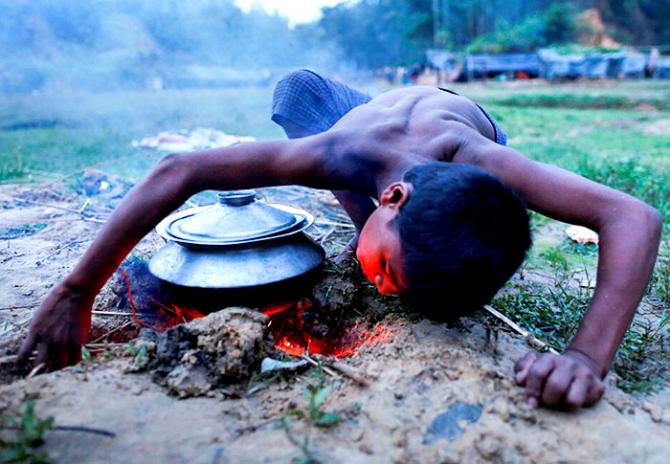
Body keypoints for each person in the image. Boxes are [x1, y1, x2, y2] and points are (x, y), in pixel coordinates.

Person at [19, 70, 662, 410]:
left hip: (453, 114)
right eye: (386, 268)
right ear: (392, 198)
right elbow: (180, 170)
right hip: (359, 113)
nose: (377, 286)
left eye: (386, 276)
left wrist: (584, 357)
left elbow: (634, 217)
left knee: (470, 234)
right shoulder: (337, 154)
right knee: (297, 90)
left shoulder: (485, 162)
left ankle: (403, 244)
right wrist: (77, 289)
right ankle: (368, 228)